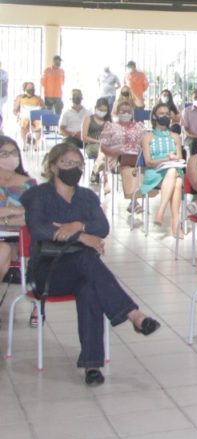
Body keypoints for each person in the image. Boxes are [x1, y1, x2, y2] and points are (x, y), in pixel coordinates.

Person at [22, 144, 161, 385]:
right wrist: (82, 237)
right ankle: (133, 314)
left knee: (89, 288)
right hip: (47, 273)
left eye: (78, 164)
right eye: (67, 163)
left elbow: (102, 227)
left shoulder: (86, 196)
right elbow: (38, 229)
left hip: (82, 272)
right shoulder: (38, 195)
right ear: (53, 166)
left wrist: (78, 226)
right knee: (86, 258)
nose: (73, 168)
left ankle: (92, 365)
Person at [139, 104, 184, 237]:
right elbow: (148, 161)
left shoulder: (175, 136)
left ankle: (161, 212)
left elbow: (180, 157)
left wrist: (174, 158)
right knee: (176, 179)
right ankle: (175, 225)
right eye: (161, 114)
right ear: (154, 116)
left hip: (173, 169)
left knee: (175, 176)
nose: (165, 116)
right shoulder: (147, 137)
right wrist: (165, 160)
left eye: (167, 114)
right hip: (155, 171)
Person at [99, 100, 147, 216]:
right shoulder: (111, 127)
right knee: (127, 164)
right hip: (116, 158)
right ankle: (134, 201)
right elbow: (103, 147)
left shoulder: (139, 126)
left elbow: (146, 142)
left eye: (128, 112)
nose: (126, 114)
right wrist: (115, 152)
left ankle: (134, 201)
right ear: (117, 112)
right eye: (123, 111)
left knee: (136, 164)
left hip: (136, 158)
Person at [0, 137, 35, 290]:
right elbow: (22, 214)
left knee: (4, 249)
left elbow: (32, 217)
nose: (10, 157)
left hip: (17, 239)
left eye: (14, 152)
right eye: (4, 154)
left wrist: (5, 218)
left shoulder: (29, 184)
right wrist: (15, 212)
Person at [81, 99, 110, 181]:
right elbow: (84, 137)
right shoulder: (88, 119)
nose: (102, 112)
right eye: (101, 110)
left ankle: (95, 171)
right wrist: (98, 141)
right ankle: (100, 171)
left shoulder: (108, 121)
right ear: (96, 108)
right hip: (92, 145)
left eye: (105, 110)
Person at [13, 81, 44, 147]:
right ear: (25, 88)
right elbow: (15, 110)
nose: (31, 89)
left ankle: (36, 144)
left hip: (35, 118)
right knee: (24, 123)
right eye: (29, 87)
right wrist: (18, 114)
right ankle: (25, 143)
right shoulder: (20, 98)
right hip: (24, 117)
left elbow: (43, 108)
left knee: (38, 124)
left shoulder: (38, 98)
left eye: (32, 87)